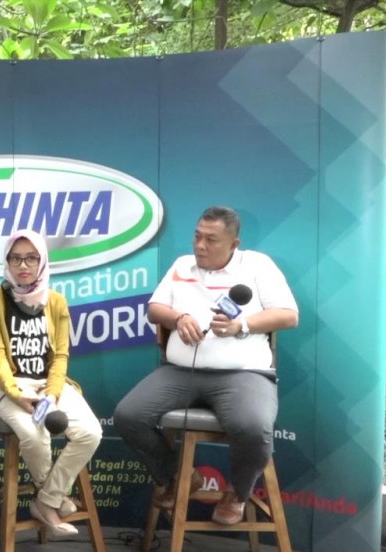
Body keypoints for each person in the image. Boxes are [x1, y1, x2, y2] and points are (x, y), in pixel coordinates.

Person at [114, 206, 298, 526]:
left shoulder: (258, 266)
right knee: (128, 415)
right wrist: (178, 318)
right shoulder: (181, 266)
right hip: (180, 372)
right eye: (197, 236)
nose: (200, 245)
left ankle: (237, 493)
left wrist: (242, 325)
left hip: (244, 374)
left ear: (234, 244)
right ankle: (177, 477)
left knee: (253, 428)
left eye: (211, 240)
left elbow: (288, 315)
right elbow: (155, 309)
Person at [0, 229, 102, 539]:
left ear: (42, 261)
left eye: (31, 258)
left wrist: (53, 393)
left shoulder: (56, 302)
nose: (23, 265)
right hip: (6, 386)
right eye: (16, 258)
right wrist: (15, 393)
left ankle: (45, 501)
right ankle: (52, 499)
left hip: (48, 384)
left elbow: (60, 356)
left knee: (90, 433)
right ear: (7, 261)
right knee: (34, 435)